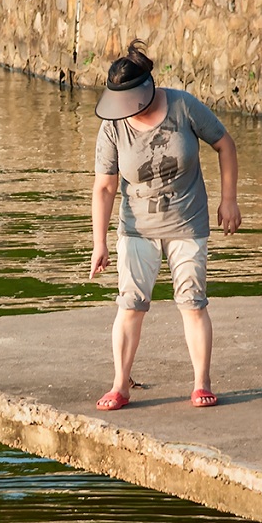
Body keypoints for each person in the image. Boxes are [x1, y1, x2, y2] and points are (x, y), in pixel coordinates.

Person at [89, 39, 240, 411]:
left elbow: (225, 144)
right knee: (131, 305)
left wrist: (229, 199)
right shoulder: (113, 127)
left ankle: (202, 381)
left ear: (145, 88)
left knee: (192, 302)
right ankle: (120, 385)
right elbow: (105, 186)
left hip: (188, 223)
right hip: (137, 229)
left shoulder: (182, 106)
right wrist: (100, 242)